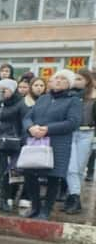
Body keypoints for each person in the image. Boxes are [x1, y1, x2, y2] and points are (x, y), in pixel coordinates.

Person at [22, 69, 82, 221]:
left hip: (58, 144)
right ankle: (35, 207)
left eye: (63, 79)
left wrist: (48, 129)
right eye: (57, 78)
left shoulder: (73, 100)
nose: (59, 81)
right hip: (37, 142)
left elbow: (73, 122)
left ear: (69, 84)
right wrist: (30, 127)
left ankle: (46, 210)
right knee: (30, 174)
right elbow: (27, 117)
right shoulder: (43, 98)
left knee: (53, 178)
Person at [0, 78, 27, 213]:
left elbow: (24, 124)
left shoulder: (20, 104)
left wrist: (21, 142)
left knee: (6, 173)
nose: (1, 92)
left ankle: (4, 199)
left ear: (12, 90)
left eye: (4, 90)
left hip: (11, 143)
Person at [64, 69, 95, 215]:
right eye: (75, 79)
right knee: (71, 167)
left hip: (87, 133)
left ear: (87, 81)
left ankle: (72, 198)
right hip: (70, 133)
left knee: (79, 169)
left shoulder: (93, 96)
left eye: (79, 79)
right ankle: (75, 198)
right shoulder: (70, 95)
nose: (76, 81)